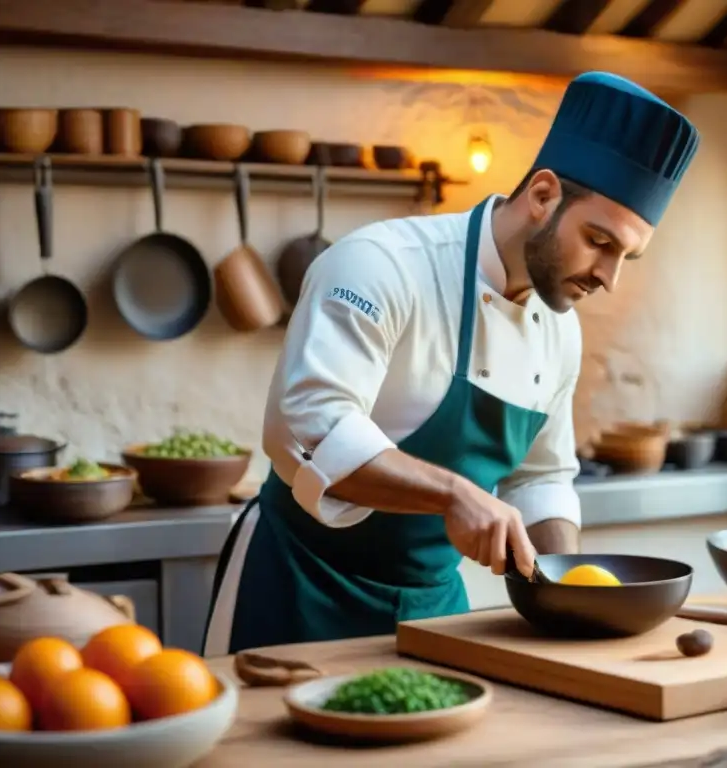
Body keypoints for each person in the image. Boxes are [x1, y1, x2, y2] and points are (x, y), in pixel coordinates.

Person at [203, 71, 700, 656]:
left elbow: (540, 476)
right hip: (298, 585)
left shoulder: (559, 329)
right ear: (542, 196)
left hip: (433, 607)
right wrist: (453, 494)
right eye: (600, 241)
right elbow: (315, 427)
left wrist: (567, 587)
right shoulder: (380, 265)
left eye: (627, 257)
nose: (609, 277)